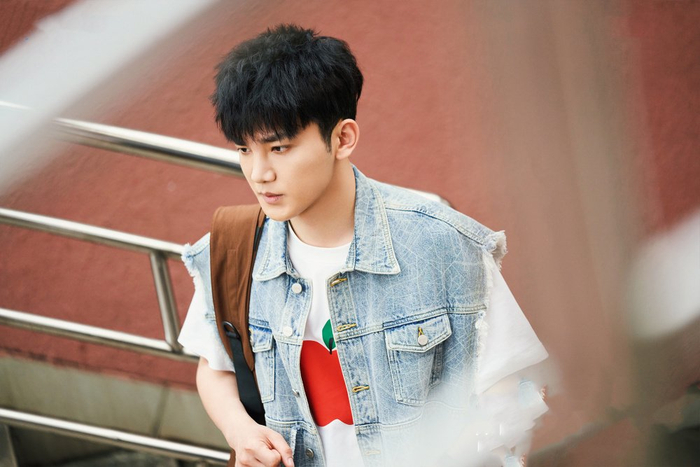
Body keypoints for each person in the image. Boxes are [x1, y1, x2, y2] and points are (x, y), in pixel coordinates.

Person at [178, 24, 548, 467]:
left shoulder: (443, 245)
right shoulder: (233, 251)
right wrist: (241, 432)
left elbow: (509, 389)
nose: (259, 174)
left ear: (342, 138)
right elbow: (215, 367)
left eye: (279, 148)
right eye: (244, 150)